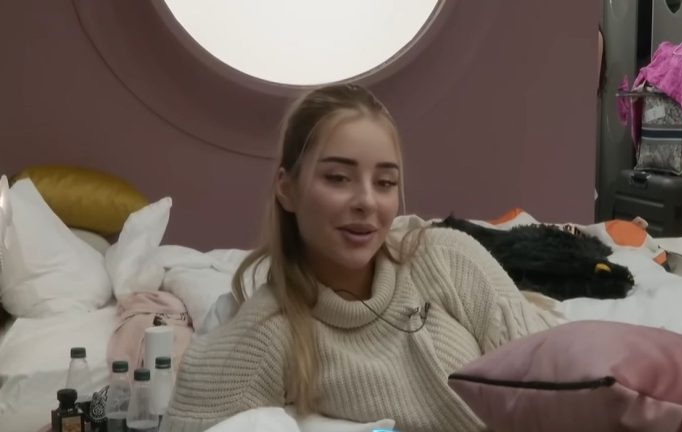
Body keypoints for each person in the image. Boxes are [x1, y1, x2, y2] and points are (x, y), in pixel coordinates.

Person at [160, 84, 560, 432]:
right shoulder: (269, 333)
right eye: (338, 178)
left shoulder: (448, 259)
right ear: (287, 189)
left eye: (385, 182)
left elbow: (558, 384)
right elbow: (191, 419)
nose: (367, 201)